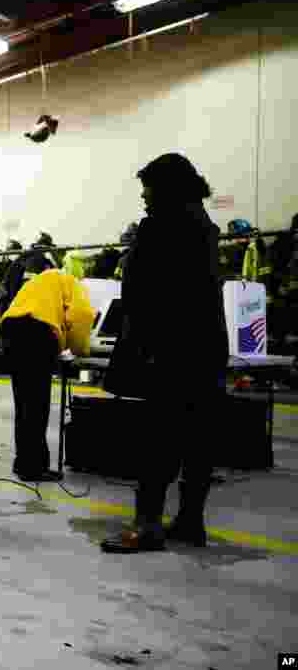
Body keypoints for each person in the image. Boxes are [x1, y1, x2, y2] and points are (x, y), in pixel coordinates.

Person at [101, 154, 228, 553]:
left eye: (148, 188)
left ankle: (147, 526)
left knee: (157, 441)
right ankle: (190, 521)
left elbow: (150, 295)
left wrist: (144, 350)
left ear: (166, 189)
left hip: (171, 352)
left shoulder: (165, 227)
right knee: (197, 441)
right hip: (205, 350)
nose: (143, 197)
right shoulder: (204, 225)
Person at [0, 269, 94, 482]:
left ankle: (23, 462)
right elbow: (82, 315)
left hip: (10, 331)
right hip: (36, 332)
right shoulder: (73, 284)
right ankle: (33, 467)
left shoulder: (43, 281)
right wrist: (79, 350)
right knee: (36, 405)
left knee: (24, 402)